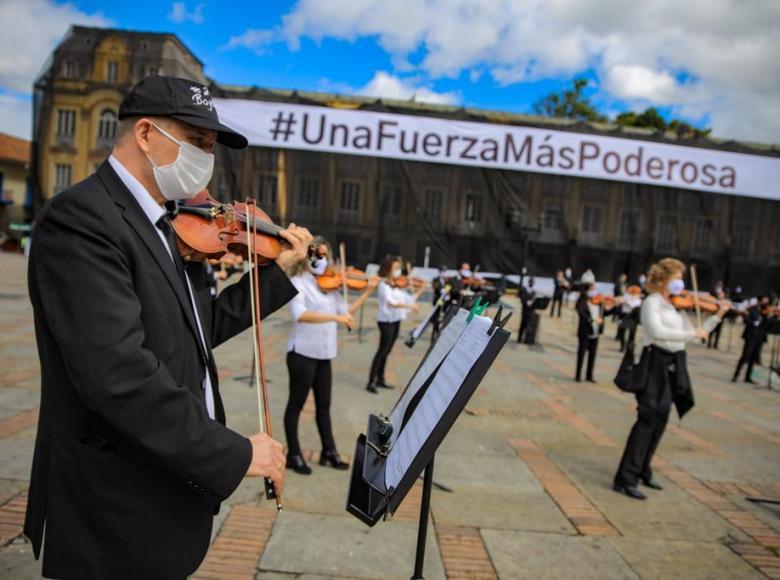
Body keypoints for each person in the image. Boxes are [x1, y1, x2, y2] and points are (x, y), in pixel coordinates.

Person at [23, 76, 313, 578]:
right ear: (145, 134)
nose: (206, 159)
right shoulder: (82, 220)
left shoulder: (170, 225)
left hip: (165, 490)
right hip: (117, 510)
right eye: (197, 143)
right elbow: (119, 375)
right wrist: (233, 451)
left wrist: (276, 272)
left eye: (211, 148)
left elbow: (197, 331)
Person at [614, 258, 727, 500]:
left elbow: (693, 336)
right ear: (663, 278)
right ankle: (625, 478)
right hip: (654, 362)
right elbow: (657, 332)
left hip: (673, 363)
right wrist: (691, 332)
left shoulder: (673, 305)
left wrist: (717, 316)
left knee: (662, 418)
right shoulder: (652, 303)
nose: (680, 283)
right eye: (677, 277)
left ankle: (644, 468)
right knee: (647, 419)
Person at [284, 237, 379, 474]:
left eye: (326, 256)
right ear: (307, 256)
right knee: (296, 404)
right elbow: (301, 314)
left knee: (324, 406)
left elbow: (345, 312)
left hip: (324, 353)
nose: (322, 260)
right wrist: (337, 319)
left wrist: (367, 292)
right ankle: (294, 454)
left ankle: (329, 452)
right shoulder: (298, 282)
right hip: (302, 353)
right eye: (318, 255)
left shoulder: (331, 285)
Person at [367, 255, 423, 392]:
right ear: (388, 269)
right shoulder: (383, 285)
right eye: (396, 268)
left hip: (395, 320)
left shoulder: (395, 284)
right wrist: (409, 307)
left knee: (387, 351)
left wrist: (420, 291)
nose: (399, 271)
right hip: (385, 321)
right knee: (382, 351)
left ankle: (381, 379)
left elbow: (407, 298)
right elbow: (391, 303)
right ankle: (371, 382)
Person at [732, 296, 770, 383]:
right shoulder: (752, 309)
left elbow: (768, 320)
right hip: (751, 335)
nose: (766, 301)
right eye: (764, 299)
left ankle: (748, 377)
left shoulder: (765, 310)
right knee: (745, 355)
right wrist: (753, 322)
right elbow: (746, 319)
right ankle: (736, 374)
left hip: (760, 336)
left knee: (754, 357)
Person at [575, 272, 601, 382]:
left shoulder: (598, 300)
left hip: (595, 331)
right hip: (585, 330)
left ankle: (589, 375)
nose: (594, 289)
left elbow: (603, 312)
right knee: (581, 354)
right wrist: (592, 319)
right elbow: (581, 313)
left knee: (592, 355)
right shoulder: (582, 300)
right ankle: (578, 375)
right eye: (592, 287)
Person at [616, 286, 643, 352]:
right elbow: (620, 302)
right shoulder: (626, 297)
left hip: (632, 318)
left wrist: (627, 302)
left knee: (632, 334)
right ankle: (622, 346)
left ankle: (629, 348)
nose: (633, 294)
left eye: (634, 293)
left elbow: (634, 306)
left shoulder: (638, 301)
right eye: (631, 293)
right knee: (621, 332)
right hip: (624, 316)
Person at [517, 276, 537, 343]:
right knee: (523, 324)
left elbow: (534, 299)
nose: (531, 283)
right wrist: (525, 302)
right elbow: (521, 297)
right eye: (530, 282)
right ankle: (519, 339)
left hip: (531, 310)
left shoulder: (533, 291)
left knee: (529, 324)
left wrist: (532, 302)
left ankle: (527, 339)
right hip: (525, 309)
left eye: (532, 282)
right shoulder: (524, 289)